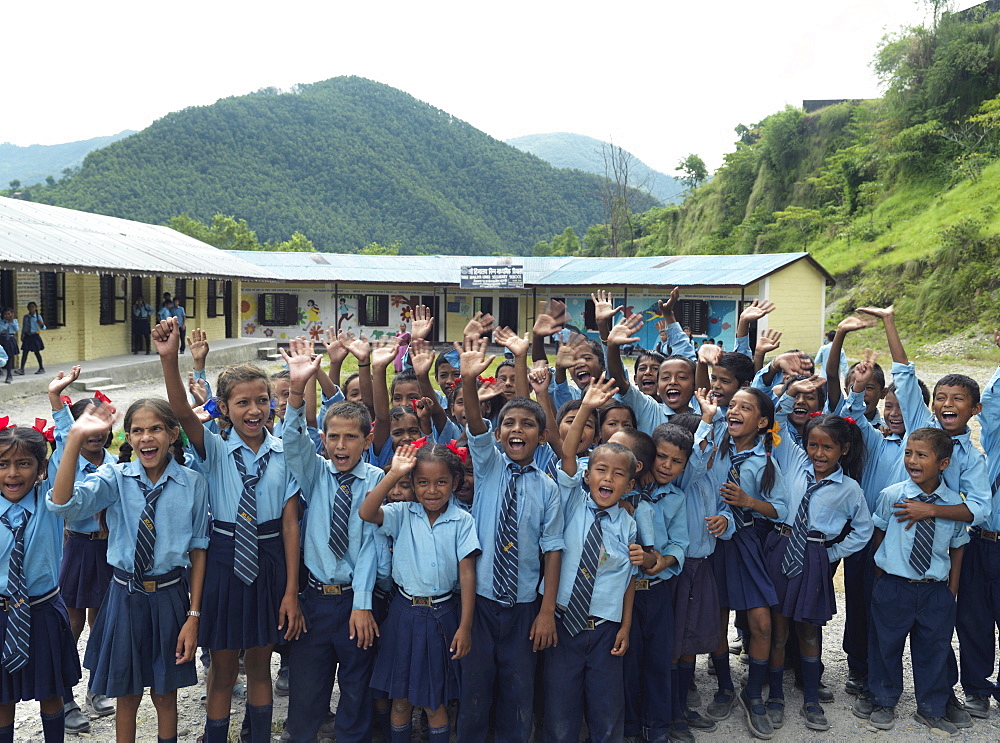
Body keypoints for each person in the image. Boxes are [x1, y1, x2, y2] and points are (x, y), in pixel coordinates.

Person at [153, 317, 304, 743]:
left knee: (260, 666)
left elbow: (291, 524)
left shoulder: (285, 453)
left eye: (261, 401)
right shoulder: (214, 451)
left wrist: (291, 590)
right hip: (224, 561)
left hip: (271, 560)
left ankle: (258, 736)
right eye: (242, 403)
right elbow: (182, 411)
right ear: (223, 407)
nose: (254, 410)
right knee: (221, 669)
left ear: (272, 405)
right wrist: (170, 359)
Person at [48, 399, 209, 743]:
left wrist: (193, 615)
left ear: (172, 434)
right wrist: (74, 437)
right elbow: (61, 503)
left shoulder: (193, 483)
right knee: (127, 695)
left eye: (155, 429)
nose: (146, 437)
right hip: (125, 597)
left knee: (165, 695)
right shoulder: (115, 478)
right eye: (137, 430)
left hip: (170, 597)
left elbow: (198, 549)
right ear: (129, 437)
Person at [457, 335, 564, 742]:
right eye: (509, 424)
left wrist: (546, 611)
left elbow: (552, 550)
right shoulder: (487, 467)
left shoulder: (548, 487)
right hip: (480, 604)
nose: (517, 429)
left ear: (541, 436)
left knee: (519, 693)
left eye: (528, 424)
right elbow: (475, 426)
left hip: (523, 607)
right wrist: (469, 381)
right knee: (475, 691)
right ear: (500, 433)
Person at [280, 339, 384, 743]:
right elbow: (292, 442)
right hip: (317, 601)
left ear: (366, 439)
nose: (341, 446)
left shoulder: (376, 482)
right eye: (333, 437)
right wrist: (296, 389)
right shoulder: (315, 473)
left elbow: (372, 548)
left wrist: (362, 605)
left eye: (351, 438)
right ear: (322, 438)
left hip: (358, 601)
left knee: (356, 690)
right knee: (307, 689)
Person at [360, 442, 480, 743]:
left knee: (433, 701)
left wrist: (465, 627)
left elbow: (467, 575)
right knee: (400, 700)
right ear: (412, 484)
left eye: (441, 482)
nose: (432, 490)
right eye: (423, 482)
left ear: (455, 482)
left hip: (442, 616)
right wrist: (395, 473)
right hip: (403, 615)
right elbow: (366, 511)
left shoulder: (462, 520)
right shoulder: (402, 514)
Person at [689, 387, 787, 740]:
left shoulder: (766, 464)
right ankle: (725, 688)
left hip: (745, 545)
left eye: (745, 408)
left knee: (761, 624)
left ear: (762, 422)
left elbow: (782, 510)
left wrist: (748, 501)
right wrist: (708, 417)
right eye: (732, 406)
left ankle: (754, 693)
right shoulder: (713, 450)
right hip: (713, 543)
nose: (735, 411)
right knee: (717, 620)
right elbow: (695, 476)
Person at [765, 413, 871, 732]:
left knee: (808, 630)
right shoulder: (795, 462)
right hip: (782, 547)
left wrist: (830, 554)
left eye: (828, 447)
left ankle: (811, 697)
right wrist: (790, 383)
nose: (819, 453)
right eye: (813, 444)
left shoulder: (849, 489)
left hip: (813, 555)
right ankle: (776, 697)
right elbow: (776, 422)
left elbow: (863, 529)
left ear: (844, 450)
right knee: (778, 630)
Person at [863, 428, 968, 737]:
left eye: (922, 455)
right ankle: (883, 700)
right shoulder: (893, 495)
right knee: (885, 645)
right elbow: (879, 532)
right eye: (909, 453)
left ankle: (932, 708)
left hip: (935, 590)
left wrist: (952, 589)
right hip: (894, 586)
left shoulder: (952, 504)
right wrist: (883, 574)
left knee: (934, 650)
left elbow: (959, 546)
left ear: (944, 463)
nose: (912, 460)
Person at [546, 437, 639, 743]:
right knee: (560, 709)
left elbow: (628, 580)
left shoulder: (628, 524)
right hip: (562, 626)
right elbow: (568, 452)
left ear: (629, 485)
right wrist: (586, 407)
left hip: (604, 631)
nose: (608, 478)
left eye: (618, 474)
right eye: (601, 469)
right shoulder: (571, 503)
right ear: (587, 476)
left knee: (607, 709)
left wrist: (625, 626)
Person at [46, 368, 118, 730]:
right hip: (78, 549)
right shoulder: (66, 460)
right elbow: (64, 434)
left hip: (109, 551)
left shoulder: (117, 465)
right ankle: (65, 694)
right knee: (71, 624)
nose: (97, 432)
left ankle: (97, 686)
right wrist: (56, 397)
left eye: (103, 424)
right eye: (89, 425)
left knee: (103, 622)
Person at [0, 426, 81, 743]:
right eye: (3, 464)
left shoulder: (51, 504)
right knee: (2, 698)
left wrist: (57, 407)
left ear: (41, 469)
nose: (12, 473)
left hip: (43, 612)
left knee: (51, 690)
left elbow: (65, 455)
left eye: (23, 463)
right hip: (2, 615)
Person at [18, 302, 45, 375]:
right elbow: (24, 327)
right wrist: (22, 335)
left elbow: (43, 328)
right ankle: (21, 369)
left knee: (37, 352)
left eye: (32, 307)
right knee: (25, 352)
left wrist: (41, 323)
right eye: (29, 307)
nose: (31, 308)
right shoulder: (26, 317)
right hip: (27, 336)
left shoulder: (38, 317)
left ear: (35, 308)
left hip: (35, 336)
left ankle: (41, 367)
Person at [0, 308, 17, 384]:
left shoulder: (14, 321)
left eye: (9, 314)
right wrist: (7, 323)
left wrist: (12, 322)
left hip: (10, 339)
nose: (7, 316)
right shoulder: (1, 322)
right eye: (5, 314)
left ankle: (9, 375)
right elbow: (1, 329)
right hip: (2, 339)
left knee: (9, 357)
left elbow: (16, 329)